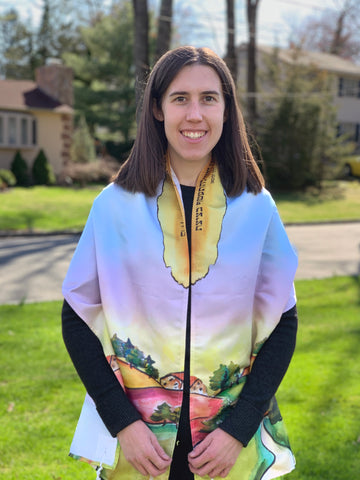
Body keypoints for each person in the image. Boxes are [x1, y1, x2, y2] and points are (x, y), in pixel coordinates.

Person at [62, 46, 298, 480]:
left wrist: (239, 429)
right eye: (179, 98)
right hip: (140, 444)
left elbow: (283, 323)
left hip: (226, 445)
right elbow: (77, 320)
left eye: (209, 98)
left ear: (227, 110)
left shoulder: (256, 206)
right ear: (157, 109)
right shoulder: (114, 207)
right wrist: (123, 424)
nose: (195, 114)